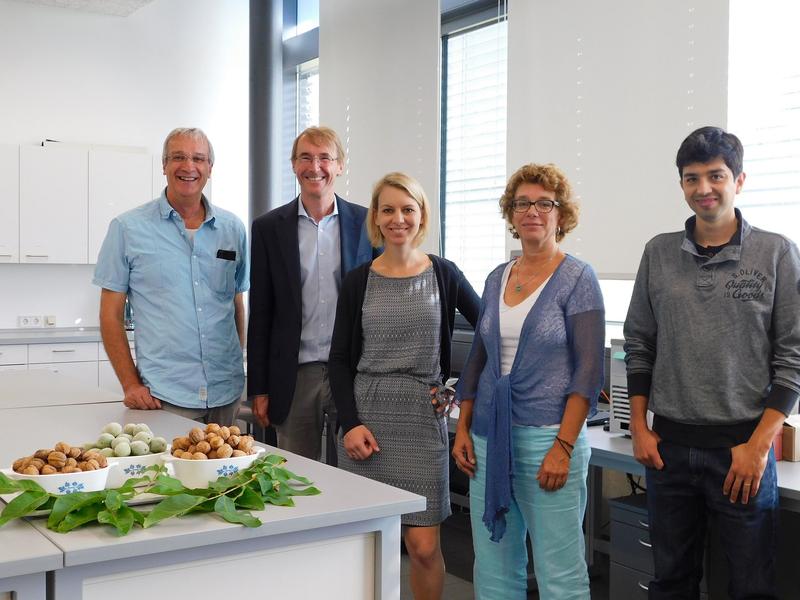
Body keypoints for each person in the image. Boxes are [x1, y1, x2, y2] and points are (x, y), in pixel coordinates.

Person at [624, 126, 800, 599]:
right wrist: (639, 427)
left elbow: (793, 357)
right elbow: (639, 343)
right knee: (671, 582)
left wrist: (758, 446)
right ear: (681, 184)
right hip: (669, 449)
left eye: (716, 175)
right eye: (691, 178)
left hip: (741, 451)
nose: (703, 188)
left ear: (739, 180)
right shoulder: (658, 253)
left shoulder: (776, 252)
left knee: (750, 586)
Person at [452, 163, 604, 599]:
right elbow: (478, 362)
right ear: (511, 213)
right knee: (495, 566)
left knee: (560, 572)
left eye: (544, 203)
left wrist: (564, 447)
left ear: (561, 214)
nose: (532, 211)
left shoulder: (578, 278)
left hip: (548, 441)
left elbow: (589, 372)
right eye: (522, 203)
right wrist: (463, 427)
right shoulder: (497, 277)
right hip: (488, 438)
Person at [329, 172, 479, 600]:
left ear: (421, 215)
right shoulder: (359, 280)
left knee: (424, 546)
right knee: (365, 544)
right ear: (376, 217)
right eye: (388, 209)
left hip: (420, 417)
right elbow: (339, 360)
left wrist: (457, 387)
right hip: (366, 420)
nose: (398, 218)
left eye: (407, 209)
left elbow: (490, 330)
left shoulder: (443, 274)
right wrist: (350, 423)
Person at [94, 127, 248, 424]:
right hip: (165, 396)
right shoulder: (127, 228)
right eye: (178, 157)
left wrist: (236, 364)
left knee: (227, 472)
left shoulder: (233, 230)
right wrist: (130, 384)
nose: (189, 166)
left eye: (198, 159)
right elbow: (109, 315)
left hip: (225, 393)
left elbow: (236, 304)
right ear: (164, 165)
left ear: (209, 169)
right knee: (168, 473)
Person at [247, 126, 377, 461]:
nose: (314, 166)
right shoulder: (268, 228)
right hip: (294, 375)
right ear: (293, 165)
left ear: (340, 165)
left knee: (353, 471)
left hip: (352, 372)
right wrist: (258, 387)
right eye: (305, 157)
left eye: (324, 158)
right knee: (297, 475)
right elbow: (261, 312)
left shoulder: (368, 224)